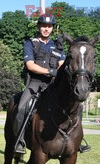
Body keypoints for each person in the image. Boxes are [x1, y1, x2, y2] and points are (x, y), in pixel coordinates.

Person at [14, 14, 65, 154]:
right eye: (43, 26)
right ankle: (20, 140)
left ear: (53, 29)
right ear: (38, 27)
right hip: (35, 83)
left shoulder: (57, 45)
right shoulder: (30, 43)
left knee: (73, 105)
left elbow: (62, 64)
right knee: (22, 108)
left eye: (49, 27)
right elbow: (30, 65)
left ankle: (77, 141)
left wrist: (60, 68)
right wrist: (49, 71)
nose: (46, 29)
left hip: (53, 85)